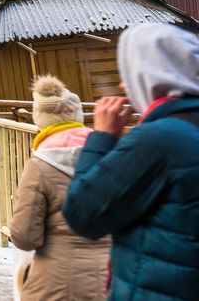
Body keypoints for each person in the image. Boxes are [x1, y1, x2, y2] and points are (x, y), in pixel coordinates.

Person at [62, 23, 199, 300]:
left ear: (149, 77)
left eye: (128, 74)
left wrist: (101, 137)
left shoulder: (159, 139)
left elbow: (83, 213)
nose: (124, 85)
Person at [8, 75, 108, 301]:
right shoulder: (110, 159)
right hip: (111, 280)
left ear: (40, 120)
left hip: (56, 284)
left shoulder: (39, 167)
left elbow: (25, 237)